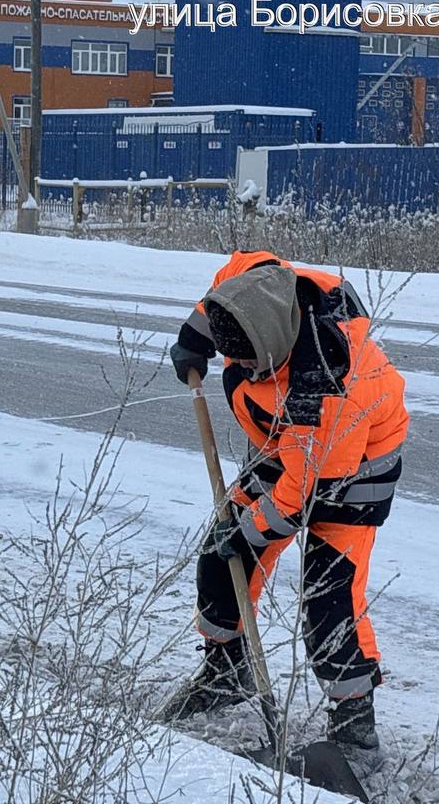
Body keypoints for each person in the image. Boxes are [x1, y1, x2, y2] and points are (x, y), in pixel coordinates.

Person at [163, 252, 409, 765]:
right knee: (219, 556)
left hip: (354, 465)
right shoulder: (258, 289)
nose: (243, 370)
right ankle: (228, 671)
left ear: (274, 344)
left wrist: (252, 531)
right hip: (289, 447)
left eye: (248, 362)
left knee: (327, 597)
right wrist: (194, 337)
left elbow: (300, 496)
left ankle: (355, 727)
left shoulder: (326, 381)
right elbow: (224, 294)